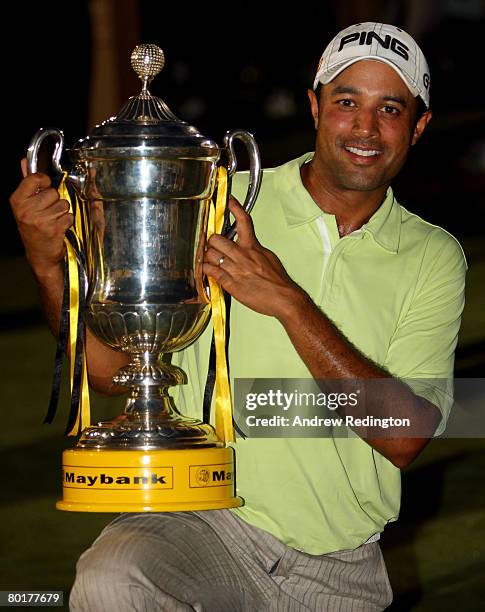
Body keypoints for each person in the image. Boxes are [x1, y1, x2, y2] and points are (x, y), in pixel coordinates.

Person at [10, 22, 466, 612]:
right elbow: (108, 372)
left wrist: (286, 300)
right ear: (315, 105)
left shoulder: (433, 255)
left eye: (390, 109)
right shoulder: (220, 197)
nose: (365, 128)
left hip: (340, 565)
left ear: (419, 125)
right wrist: (50, 270)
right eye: (346, 102)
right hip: (203, 524)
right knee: (113, 577)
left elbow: (405, 436)